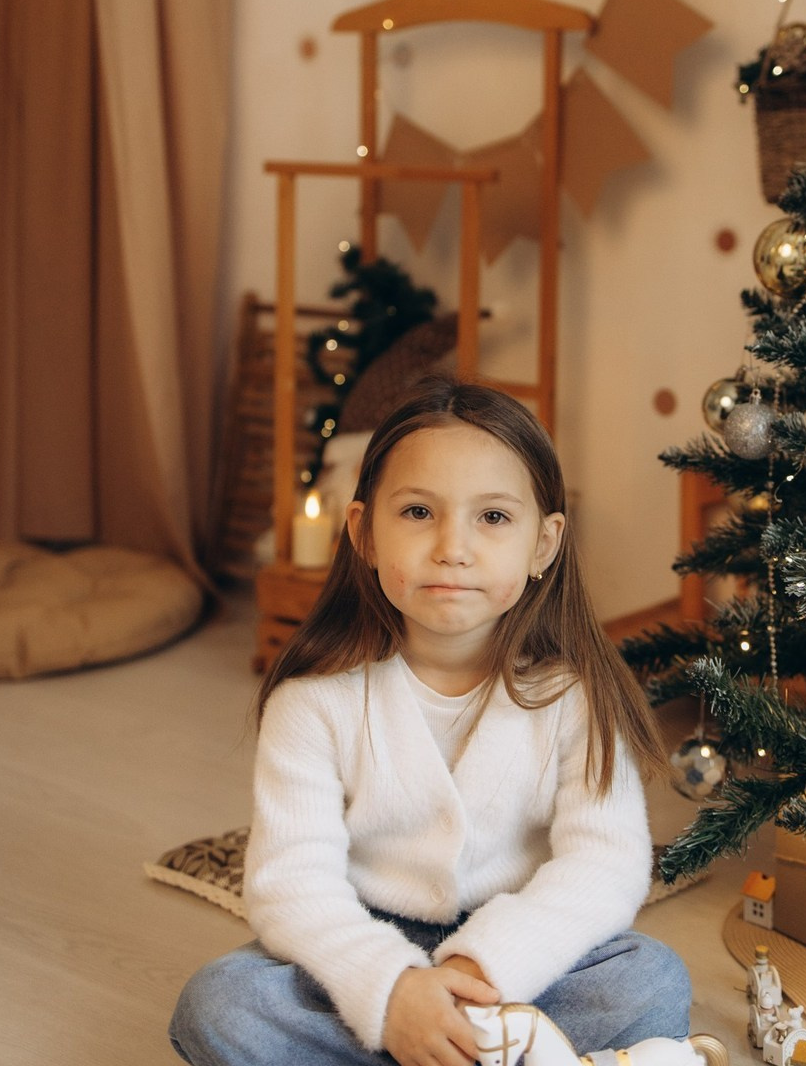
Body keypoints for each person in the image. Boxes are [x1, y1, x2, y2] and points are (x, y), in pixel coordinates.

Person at [170, 376, 692, 1066]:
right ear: (363, 531)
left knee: (651, 981)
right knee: (220, 1005)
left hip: (518, 950)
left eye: (494, 518)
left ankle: (454, 1045)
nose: (453, 546)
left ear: (544, 544)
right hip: (364, 940)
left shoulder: (577, 696)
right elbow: (290, 882)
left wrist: (480, 973)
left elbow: (606, 865)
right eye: (418, 512)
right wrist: (392, 994)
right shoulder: (313, 700)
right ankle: (474, 1051)